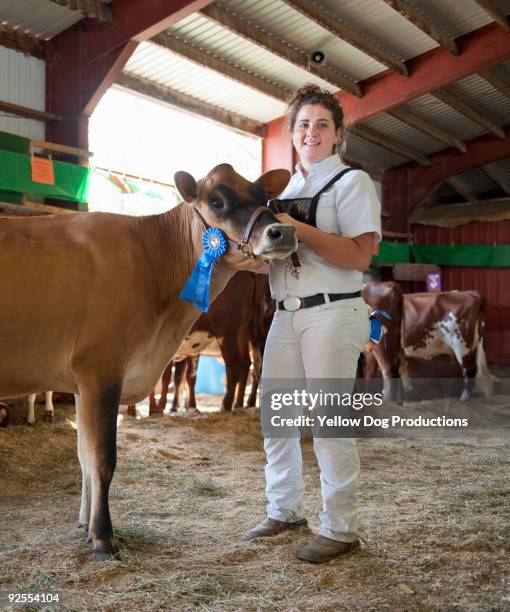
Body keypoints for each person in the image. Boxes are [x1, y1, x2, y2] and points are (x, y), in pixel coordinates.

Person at [244, 84, 382, 563]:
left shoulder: (352, 184)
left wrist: (300, 229)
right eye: (304, 124)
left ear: (338, 133)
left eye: (322, 124)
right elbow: (276, 262)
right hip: (286, 312)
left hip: (334, 310)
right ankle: (283, 509)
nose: (312, 132)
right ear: (292, 133)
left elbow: (361, 254)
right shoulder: (281, 193)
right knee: (276, 418)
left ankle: (340, 529)